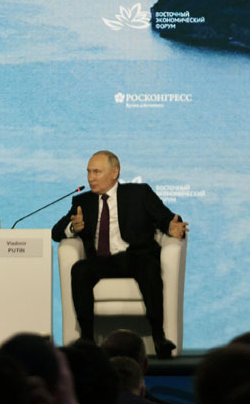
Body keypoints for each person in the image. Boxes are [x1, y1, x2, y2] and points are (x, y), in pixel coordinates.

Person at [51, 151, 188, 358]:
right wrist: (72, 227)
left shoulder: (139, 193)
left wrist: (171, 227)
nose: (90, 178)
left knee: (149, 267)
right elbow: (56, 232)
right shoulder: (83, 201)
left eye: (97, 172)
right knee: (79, 269)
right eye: (88, 172)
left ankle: (159, 337)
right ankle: (86, 339)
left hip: (135, 257)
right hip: (102, 261)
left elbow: (166, 218)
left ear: (114, 173)